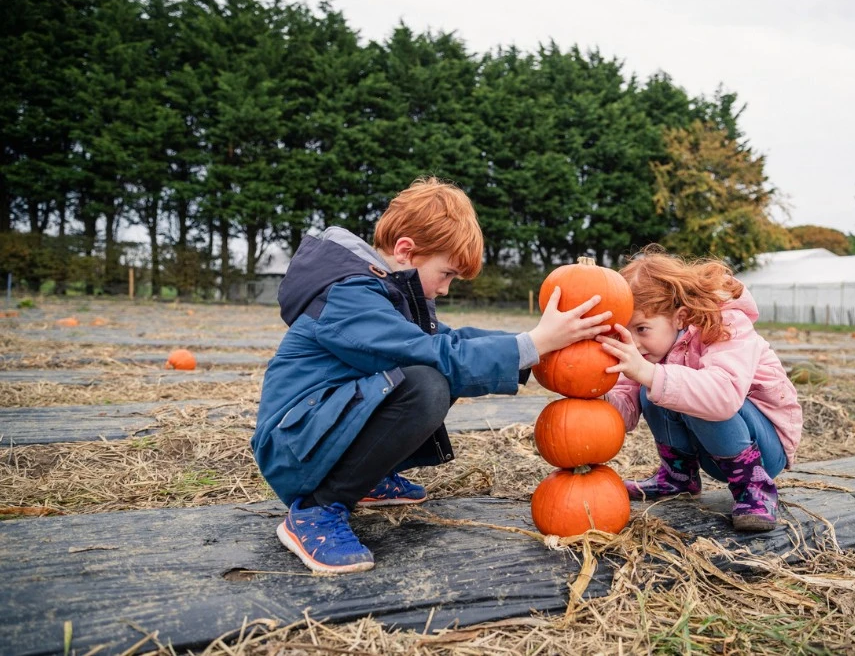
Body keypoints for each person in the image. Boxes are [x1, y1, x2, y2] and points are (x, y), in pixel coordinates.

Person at [251, 176, 612, 574]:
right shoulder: (348, 296)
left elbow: (451, 341)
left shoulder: (383, 292)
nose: (445, 289)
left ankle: (365, 479)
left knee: (441, 369)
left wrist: (535, 346)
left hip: (315, 435)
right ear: (406, 251)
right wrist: (532, 344)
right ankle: (315, 511)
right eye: (447, 274)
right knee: (426, 384)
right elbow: (434, 354)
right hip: (292, 450)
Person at [596, 247, 802, 532]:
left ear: (679, 318)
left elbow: (723, 396)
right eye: (624, 332)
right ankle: (679, 477)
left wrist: (648, 373)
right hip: (712, 452)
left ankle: (754, 489)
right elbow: (627, 413)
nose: (634, 343)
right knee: (650, 390)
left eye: (642, 329)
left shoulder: (726, 323)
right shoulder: (649, 352)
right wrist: (600, 396)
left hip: (763, 451)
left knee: (688, 391)